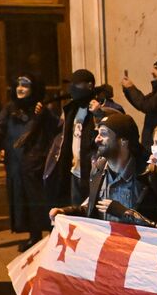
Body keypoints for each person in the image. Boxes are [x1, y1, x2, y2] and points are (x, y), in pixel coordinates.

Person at [0, 74, 51, 250]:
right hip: (15, 162)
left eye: (25, 86)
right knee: (22, 198)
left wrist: (43, 114)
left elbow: (53, 129)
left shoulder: (41, 108)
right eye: (18, 85)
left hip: (35, 161)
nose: (20, 89)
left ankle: (41, 236)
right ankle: (33, 235)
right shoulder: (10, 108)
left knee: (36, 199)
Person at [40, 69, 122, 206]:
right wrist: (46, 114)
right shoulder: (73, 108)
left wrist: (99, 113)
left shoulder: (104, 105)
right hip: (75, 170)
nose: (72, 88)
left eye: (76, 85)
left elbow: (118, 124)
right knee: (77, 212)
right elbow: (61, 132)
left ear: (90, 85)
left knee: (93, 212)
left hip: (94, 171)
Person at [50, 113, 146, 224]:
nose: (97, 139)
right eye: (98, 134)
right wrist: (65, 212)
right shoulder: (98, 170)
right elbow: (90, 209)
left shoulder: (146, 176)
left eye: (103, 134)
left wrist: (124, 212)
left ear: (123, 141)